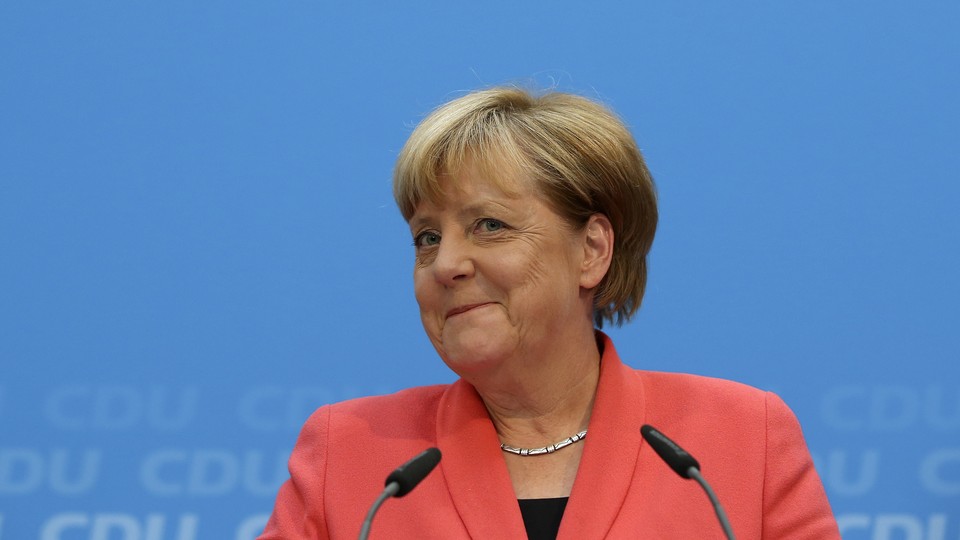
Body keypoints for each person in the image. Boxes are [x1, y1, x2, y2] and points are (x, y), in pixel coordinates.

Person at [259, 87, 840, 539]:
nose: (445, 265)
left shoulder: (738, 441)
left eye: (489, 225)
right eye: (426, 238)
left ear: (591, 251)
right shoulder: (351, 454)